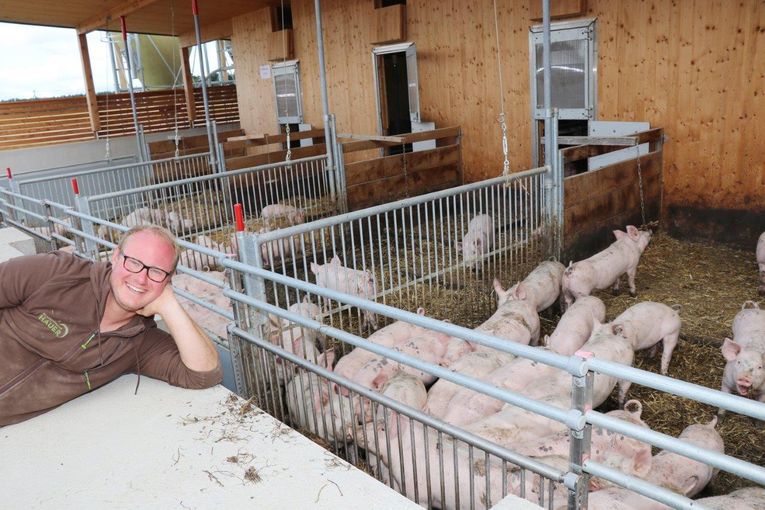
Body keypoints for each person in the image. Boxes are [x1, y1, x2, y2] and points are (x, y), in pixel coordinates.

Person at [0, 225, 222, 427]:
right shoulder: (56, 273)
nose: (141, 279)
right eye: (134, 262)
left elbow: (204, 375)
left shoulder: (140, 344)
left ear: (168, 280)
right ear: (116, 256)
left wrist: (170, 305)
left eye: (156, 272)